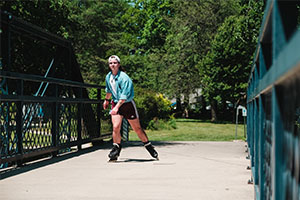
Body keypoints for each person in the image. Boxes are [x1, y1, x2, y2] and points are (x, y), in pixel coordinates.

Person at [103, 55, 158, 161]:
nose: (113, 65)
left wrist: (116, 108)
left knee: (137, 129)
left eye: (115, 63)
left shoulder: (124, 78)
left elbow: (124, 97)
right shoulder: (108, 77)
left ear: (118, 64)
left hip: (127, 104)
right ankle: (116, 149)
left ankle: (149, 146)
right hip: (115, 103)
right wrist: (106, 100)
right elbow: (109, 90)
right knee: (116, 127)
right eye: (111, 63)